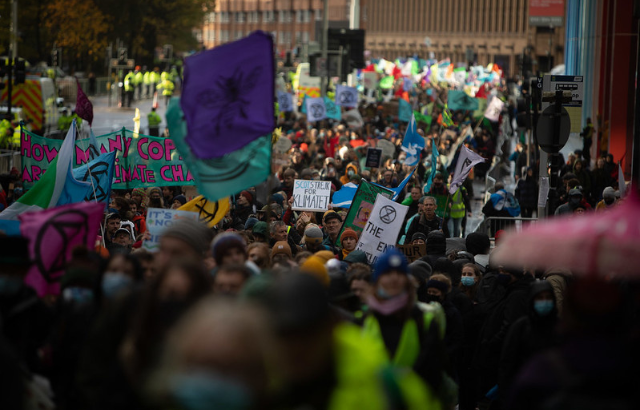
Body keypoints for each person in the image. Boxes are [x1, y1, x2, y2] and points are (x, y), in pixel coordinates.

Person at [268, 273, 442, 410]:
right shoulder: (258, 387)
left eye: (307, 334)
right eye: (284, 335)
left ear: (329, 328)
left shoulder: (385, 384)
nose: (296, 346)